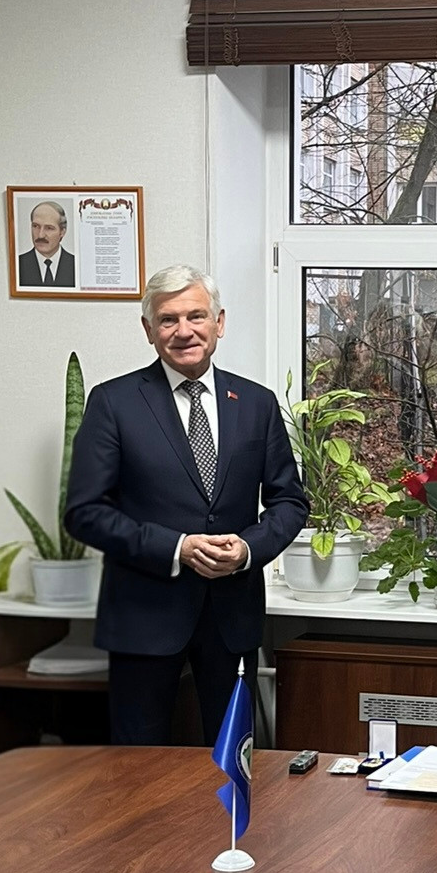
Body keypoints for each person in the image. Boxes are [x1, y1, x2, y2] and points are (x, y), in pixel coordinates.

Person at [65, 266, 308, 746]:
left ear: (219, 322)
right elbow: (85, 511)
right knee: (138, 768)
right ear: (148, 330)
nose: (184, 331)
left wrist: (247, 549)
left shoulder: (256, 403)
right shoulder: (113, 402)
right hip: (143, 616)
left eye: (196, 316)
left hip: (232, 616)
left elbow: (289, 502)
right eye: (168, 319)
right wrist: (176, 547)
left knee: (234, 763)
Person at [17, 200, 75, 288]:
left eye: (49, 228)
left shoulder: (76, 265)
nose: (40, 235)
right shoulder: (18, 264)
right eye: (36, 226)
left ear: (62, 232)